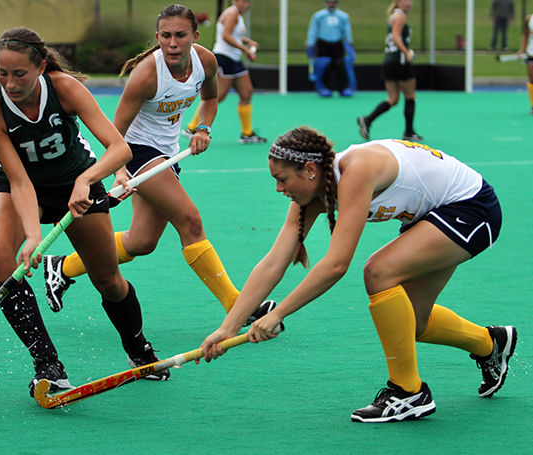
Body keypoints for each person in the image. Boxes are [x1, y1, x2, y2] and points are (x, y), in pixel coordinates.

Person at [200, 125, 517, 423]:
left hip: (471, 209)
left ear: (310, 171)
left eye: (282, 179)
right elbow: (274, 263)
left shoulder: (357, 172)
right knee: (413, 323)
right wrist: (227, 328)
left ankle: (408, 392)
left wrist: (278, 313)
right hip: (435, 215)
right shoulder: (313, 192)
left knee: (379, 272)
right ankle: (490, 343)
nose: (279, 188)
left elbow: (336, 264)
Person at [42, 5, 275, 325]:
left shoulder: (205, 61)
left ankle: (62, 266)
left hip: (167, 152)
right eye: (166, 36)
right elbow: (115, 134)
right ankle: (237, 305)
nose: (173, 43)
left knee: (142, 241)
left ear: (195, 36)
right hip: (136, 151)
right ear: (157, 37)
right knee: (190, 222)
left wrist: (203, 129)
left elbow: (209, 100)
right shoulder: (146, 76)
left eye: (181, 35)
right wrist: (120, 171)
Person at [0, 26, 169, 397]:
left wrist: (86, 181)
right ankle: (48, 365)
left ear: (41, 67)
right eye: (2, 73)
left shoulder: (64, 88)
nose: (10, 83)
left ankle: (137, 348)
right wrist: (33, 235)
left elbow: (118, 149)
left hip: (76, 181)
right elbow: (18, 180)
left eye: (20, 74)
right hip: (20, 187)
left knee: (108, 280)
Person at [184, 0, 266, 144]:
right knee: (218, 96)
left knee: (247, 92)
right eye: (243, 1)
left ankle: (247, 133)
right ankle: (191, 128)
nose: (247, 4)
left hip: (234, 60)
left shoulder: (238, 15)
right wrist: (246, 50)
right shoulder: (232, 14)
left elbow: (235, 35)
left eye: (248, 1)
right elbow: (226, 36)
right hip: (225, 58)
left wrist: (248, 42)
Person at [357, 0, 422, 142]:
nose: (409, 3)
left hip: (389, 60)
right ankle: (409, 132)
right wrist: (406, 52)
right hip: (399, 61)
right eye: (405, 0)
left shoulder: (393, 16)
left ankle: (367, 120)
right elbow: (395, 36)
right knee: (410, 95)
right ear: (398, 2)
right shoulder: (400, 16)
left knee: (393, 99)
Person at [306, 0, 356, 97]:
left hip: (337, 44)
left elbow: (346, 30)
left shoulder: (343, 16)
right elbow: (313, 30)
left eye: (333, 2)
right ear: (326, 3)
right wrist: (310, 44)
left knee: (341, 66)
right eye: (329, 2)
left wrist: (349, 41)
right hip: (323, 44)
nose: (331, 4)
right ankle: (324, 88)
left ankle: (343, 88)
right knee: (324, 67)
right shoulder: (318, 16)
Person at [516, 14, 533, 114]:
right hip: (531, 53)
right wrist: (522, 50)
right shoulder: (529, 18)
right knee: (532, 78)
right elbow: (525, 35)